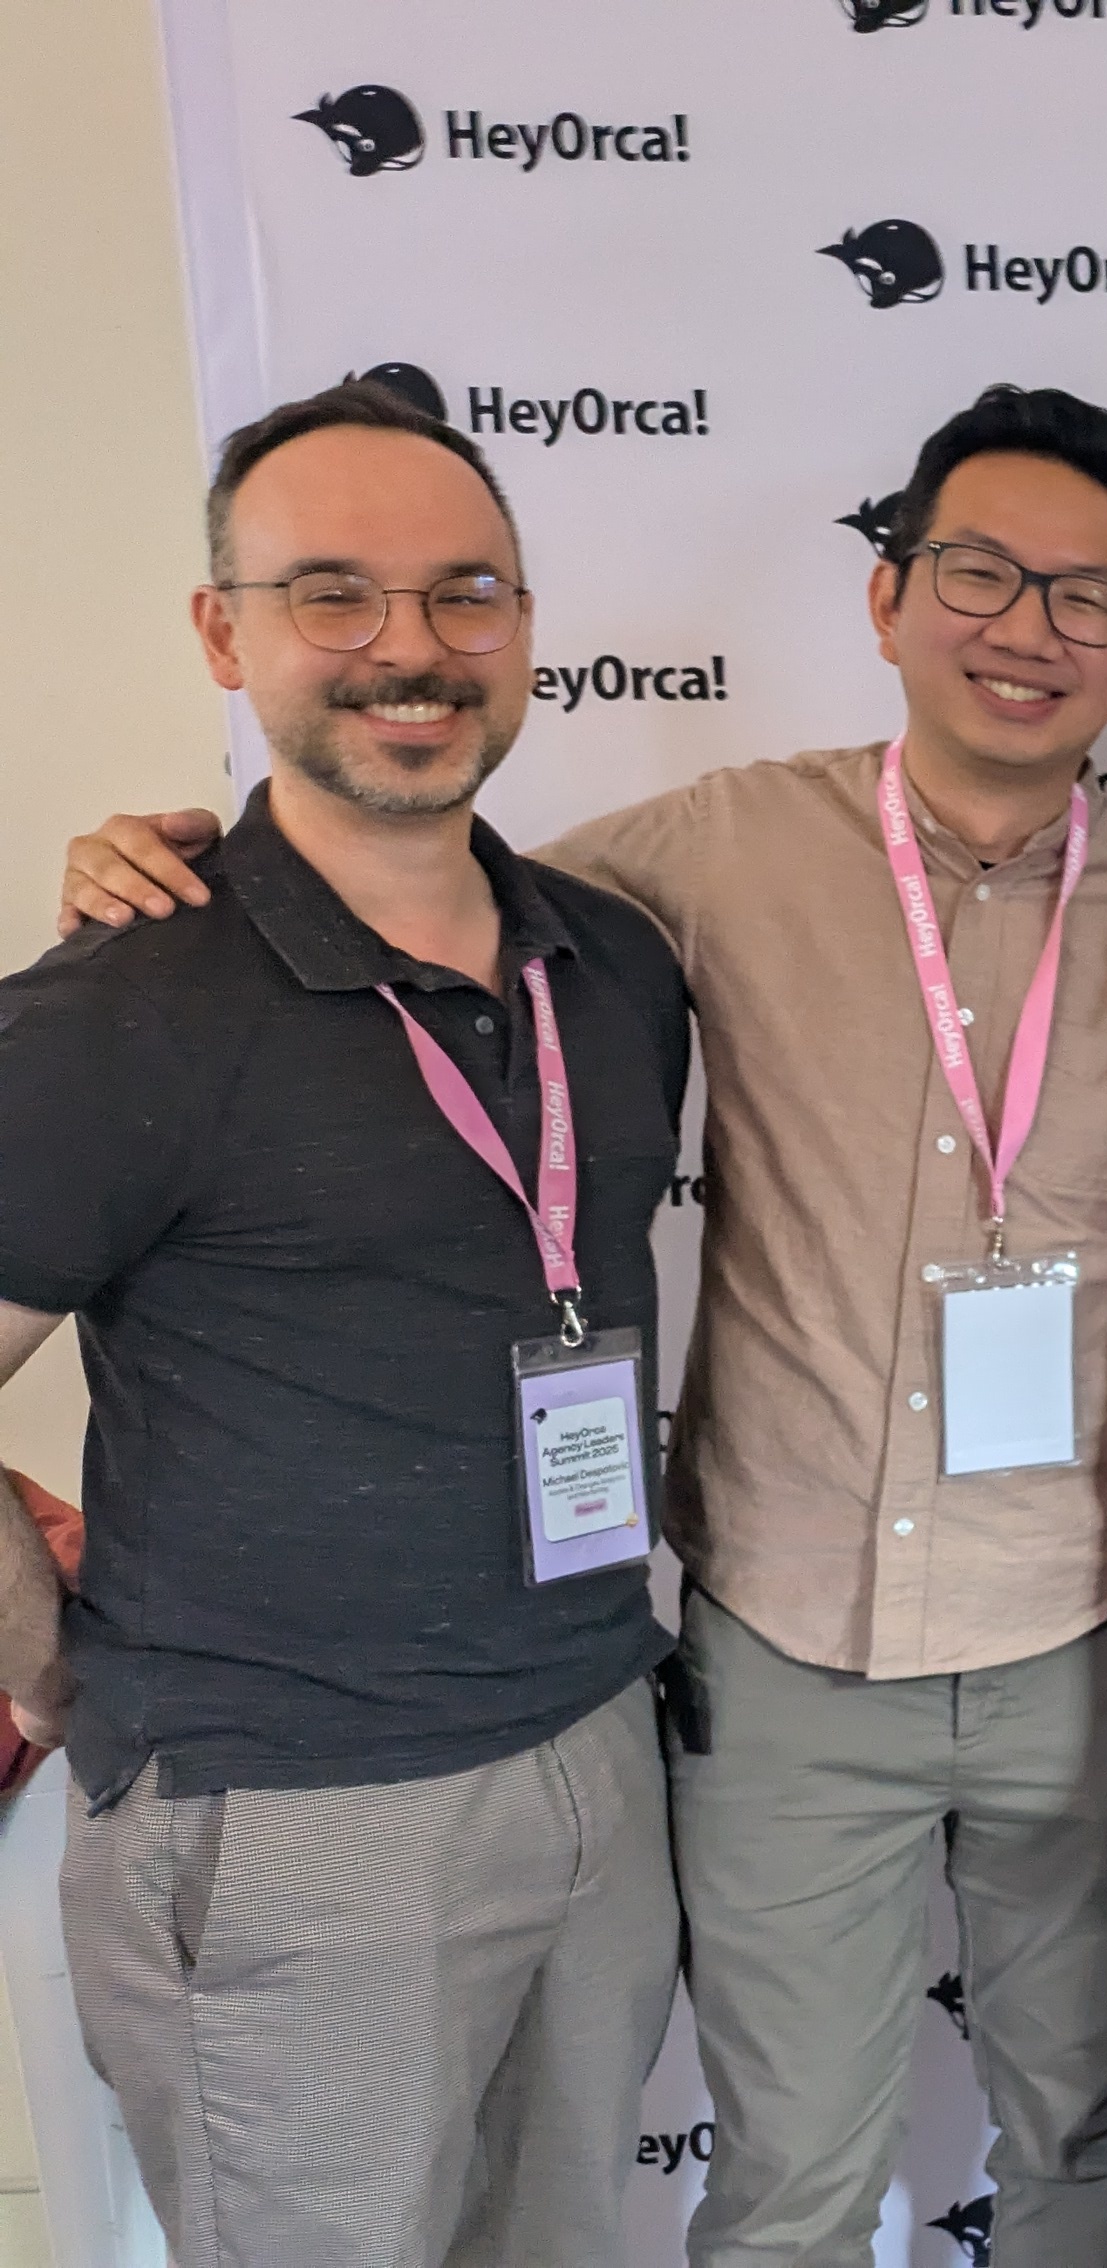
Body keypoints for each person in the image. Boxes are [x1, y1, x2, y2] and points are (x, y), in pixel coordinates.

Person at [63, 384, 1107, 2266]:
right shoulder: (688, 859)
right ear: (889, 597)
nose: (1029, 628)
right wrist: (167, 870)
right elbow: (394, 873)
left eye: (1085, 598)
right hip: (784, 1652)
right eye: (981, 572)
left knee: (1079, 2135)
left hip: (1088, 1636)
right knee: (788, 2185)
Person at [0, 378, 690, 2263]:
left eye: (465, 594)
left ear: (527, 628)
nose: (411, 648)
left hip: (591, 1752)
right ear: (224, 631)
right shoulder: (123, 1004)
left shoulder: (610, 961)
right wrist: (50, 1660)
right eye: (334, 595)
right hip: (292, 1811)